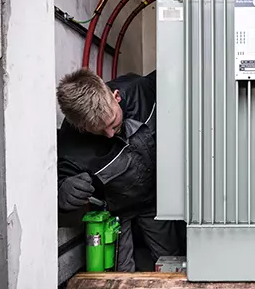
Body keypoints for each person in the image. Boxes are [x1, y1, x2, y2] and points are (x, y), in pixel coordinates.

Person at [56, 68, 180, 271]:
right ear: (81, 127)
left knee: (171, 261)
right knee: (119, 274)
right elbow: (60, 182)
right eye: (98, 130)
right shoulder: (71, 144)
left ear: (116, 96)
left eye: (113, 122)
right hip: (114, 213)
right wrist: (66, 191)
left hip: (155, 201)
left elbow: (176, 72)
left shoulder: (142, 90)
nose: (110, 134)